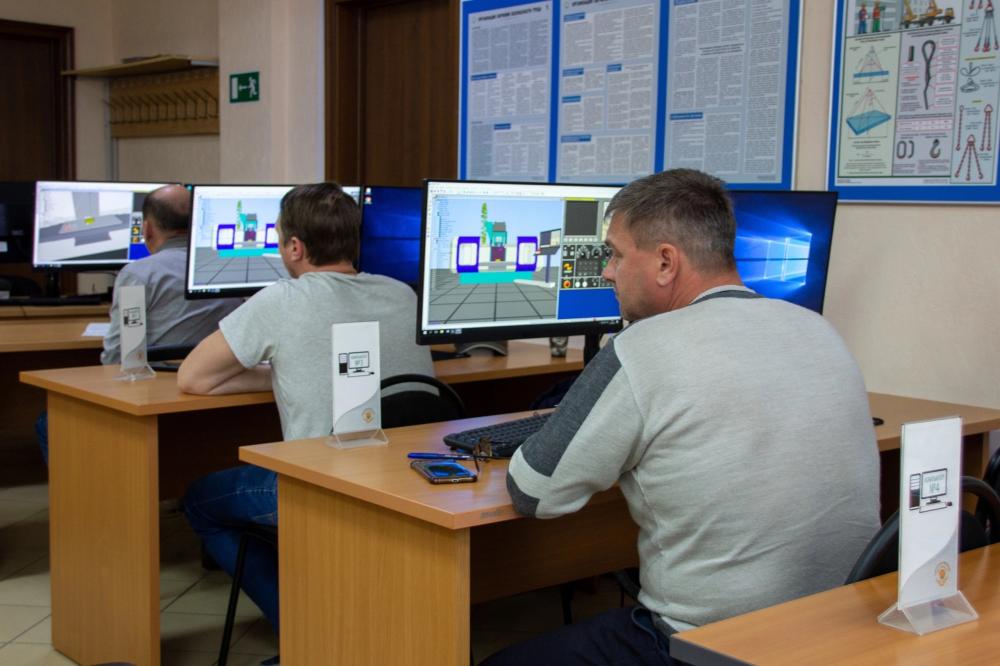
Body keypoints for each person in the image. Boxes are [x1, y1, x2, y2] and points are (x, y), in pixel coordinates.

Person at [483, 169, 880, 665]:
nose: (606, 272)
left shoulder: (642, 348)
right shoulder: (818, 329)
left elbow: (534, 491)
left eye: (616, 254)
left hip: (711, 647)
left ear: (666, 262)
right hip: (833, 633)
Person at [178, 182, 434, 635]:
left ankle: (303, 630)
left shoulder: (282, 299)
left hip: (322, 487)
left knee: (200, 502)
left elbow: (193, 378)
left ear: (295, 247)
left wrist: (278, 370)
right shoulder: (403, 294)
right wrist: (290, 369)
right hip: (403, 481)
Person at [36, 184, 240, 463]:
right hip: (217, 392)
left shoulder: (139, 273)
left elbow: (119, 356)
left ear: (147, 229)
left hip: (156, 396)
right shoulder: (228, 269)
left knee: (47, 422)